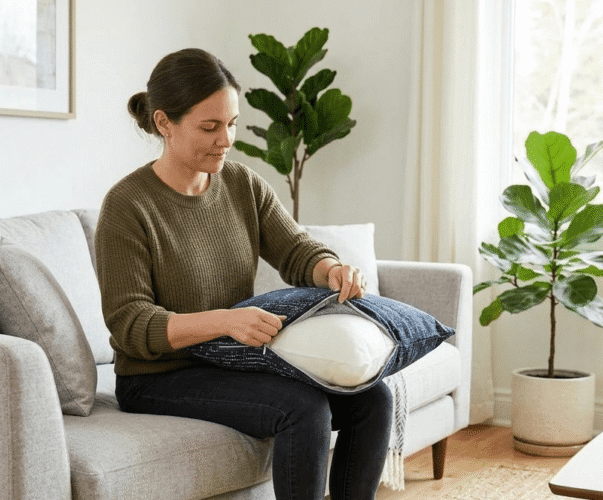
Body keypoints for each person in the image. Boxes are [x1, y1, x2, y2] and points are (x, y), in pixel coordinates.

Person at [95, 48, 391, 500]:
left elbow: (295, 249)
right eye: (209, 127)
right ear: (163, 123)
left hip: (233, 359)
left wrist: (331, 268)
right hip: (158, 377)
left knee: (373, 398)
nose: (226, 139)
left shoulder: (242, 184)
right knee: (303, 408)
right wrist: (227, 321)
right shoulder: (127, 206)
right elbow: (130, 324)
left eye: (231, 123)